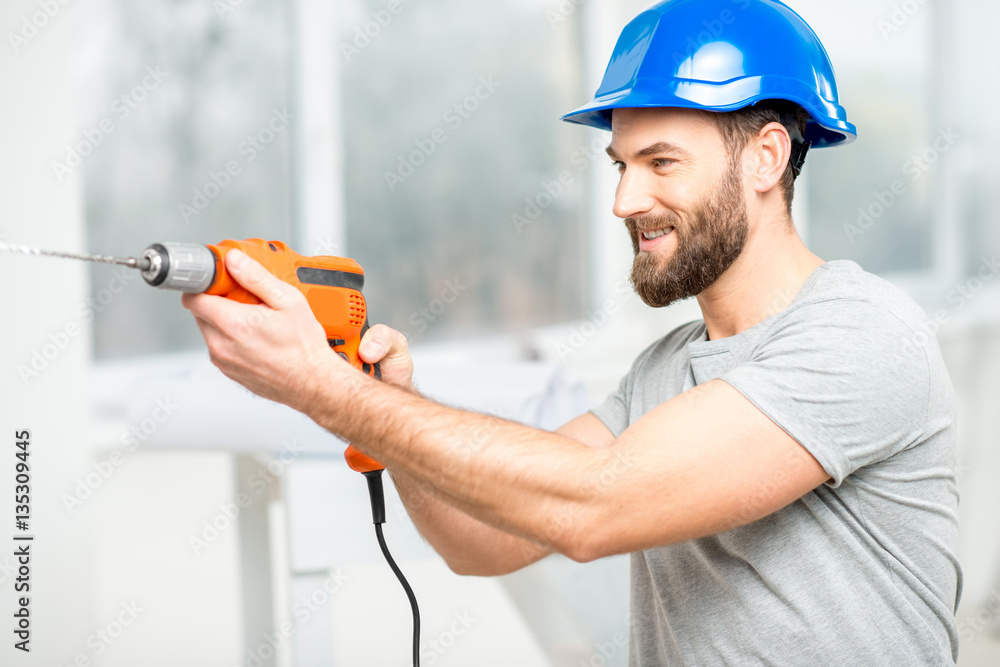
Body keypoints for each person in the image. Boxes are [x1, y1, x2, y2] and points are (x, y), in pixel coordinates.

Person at [182, 0, 962, 663]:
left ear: (765, 158)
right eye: (619, 164)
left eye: (660, 163)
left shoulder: (862, 332)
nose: (625, 199)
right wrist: (387, 406)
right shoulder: (664, 371)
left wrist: (331, 393)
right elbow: (478, 544)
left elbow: (594, 507)